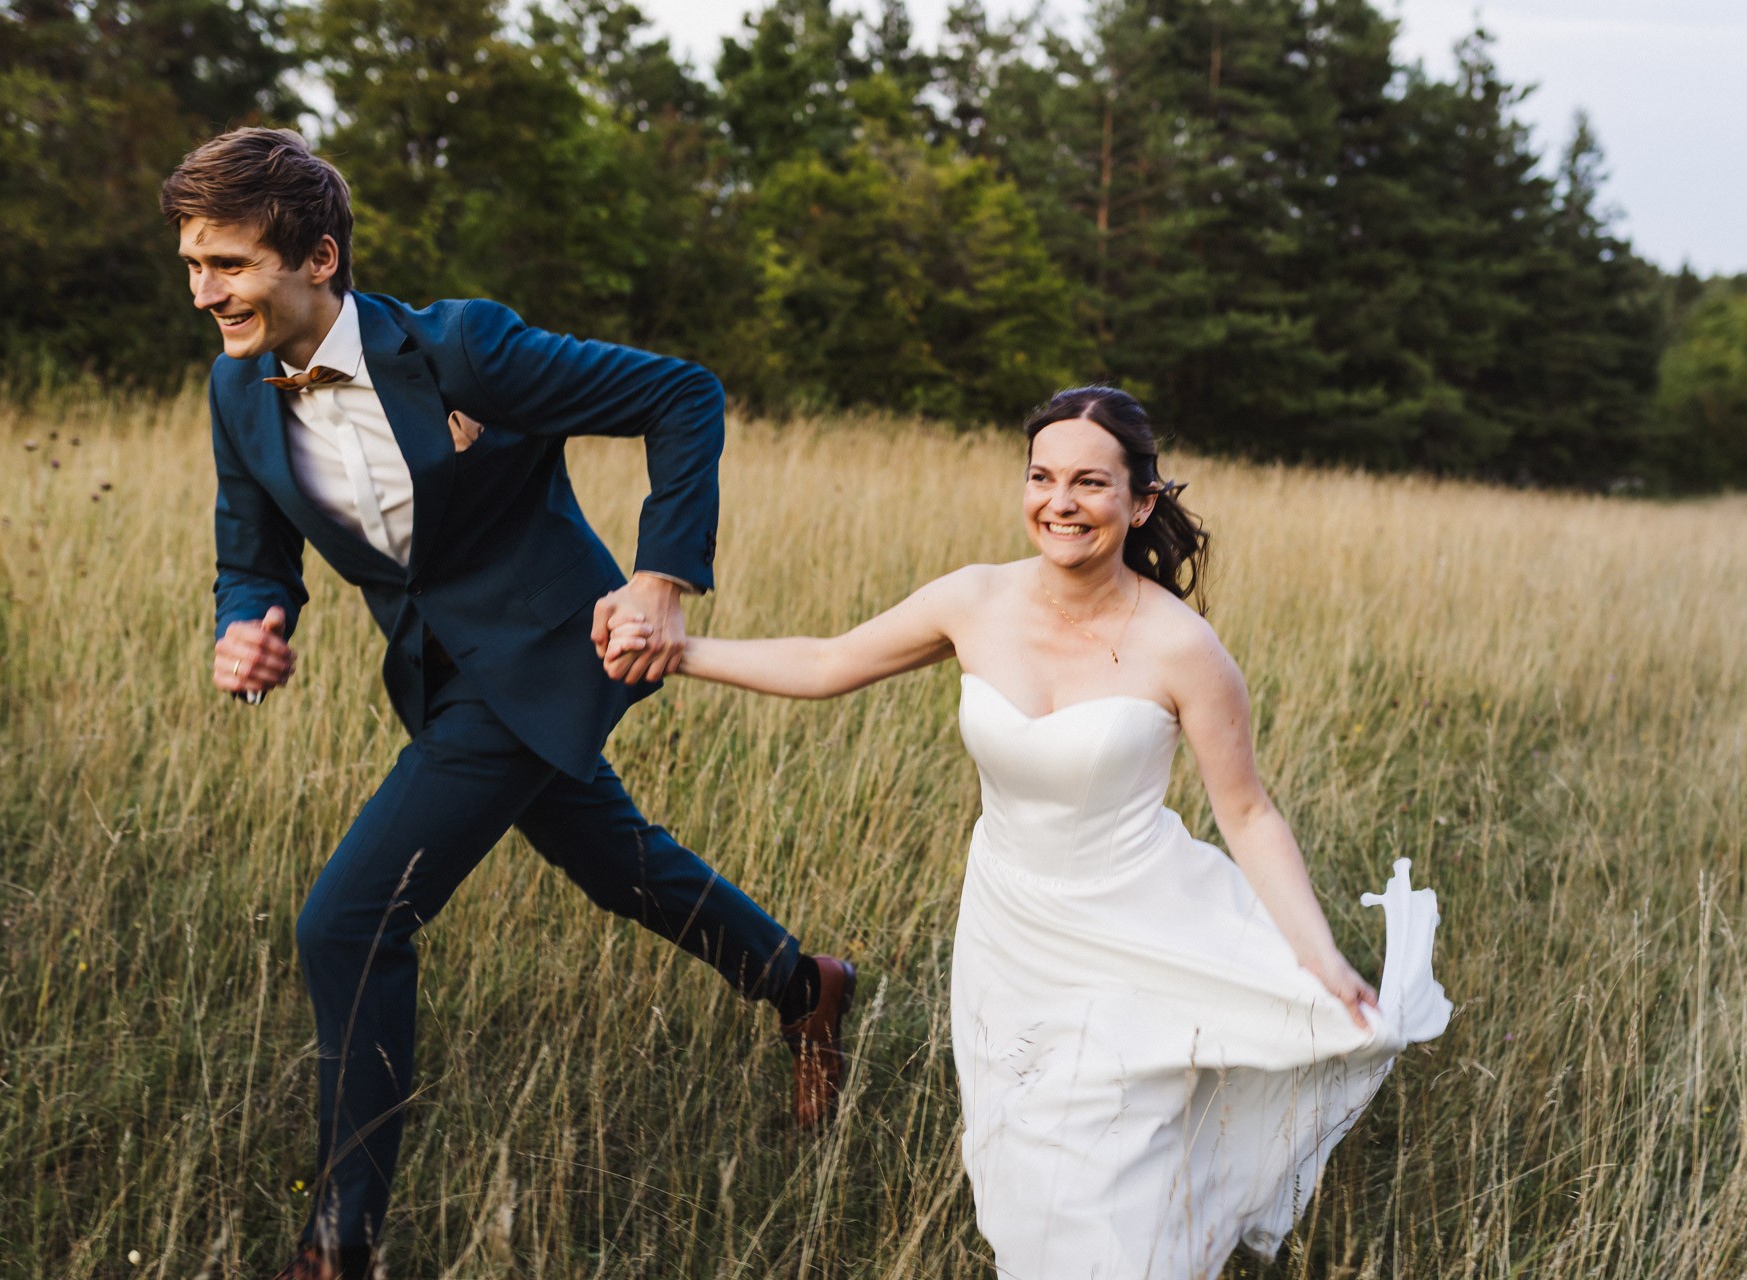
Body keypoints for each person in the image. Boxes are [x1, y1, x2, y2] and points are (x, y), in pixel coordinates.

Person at [161, 127, 855, 1280]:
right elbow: (255, 548)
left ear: (318, 256)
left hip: (558, 646)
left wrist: (660, 577)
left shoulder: (462, 347)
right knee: (614, 860)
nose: (202, 293)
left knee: (349, 920)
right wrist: (250, 619)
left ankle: (341, 1240)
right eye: (191, 264)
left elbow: (683, 395)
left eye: (226, 264)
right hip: (441, 676)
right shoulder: (238, 391)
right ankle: (803, 982)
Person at [597, 387, 1452, 1277]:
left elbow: (1247, 812)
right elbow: (825, 662)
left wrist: (1315, 951)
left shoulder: (1183, 648)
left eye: (1090, 482)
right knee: (1033, 1174)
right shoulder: (976, 600)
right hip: (1010, 931)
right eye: (1042, 477)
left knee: (1108, 1187)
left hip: (1139, 928)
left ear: (1141, 502)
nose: (1060, 502)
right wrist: (679, 650)